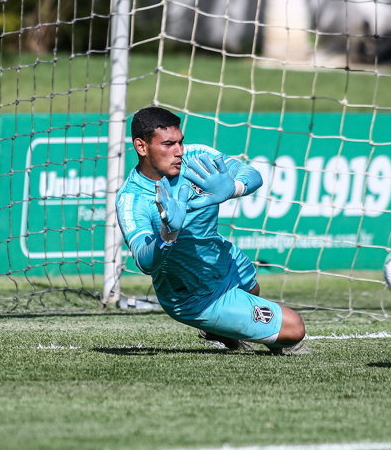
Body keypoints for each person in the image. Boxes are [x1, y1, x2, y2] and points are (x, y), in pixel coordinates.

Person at [116, 107, 311, 355]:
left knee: (254, 292)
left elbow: (252, 174)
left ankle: (220, 331)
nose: (179, 151)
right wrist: (168, 234)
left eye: (180, 142)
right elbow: (145, 262)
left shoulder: (197, 157)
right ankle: (224, 327)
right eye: (167, 144)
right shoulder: (132, 199)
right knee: (294, 329)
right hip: (192, 294)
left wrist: (234, 188)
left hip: (225, 259)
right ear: (141, 147)